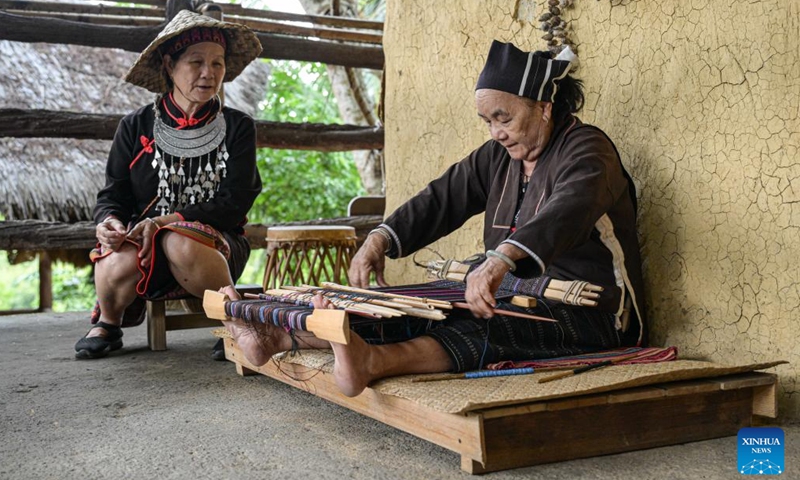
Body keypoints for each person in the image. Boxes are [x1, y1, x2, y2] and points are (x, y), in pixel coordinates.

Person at [222, 40, 647, 397]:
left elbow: (567, 211)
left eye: (504, 118)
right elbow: (443, 197)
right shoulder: (498, 157)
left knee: (488, 327)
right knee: (421, 308)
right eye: (488, 121)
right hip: (509, 295)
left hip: (590, 313)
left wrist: (500, 260)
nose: (496, 132)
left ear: (544, 108)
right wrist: (380, 241)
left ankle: (371, 361)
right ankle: (277, 336)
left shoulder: (589, 151)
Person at [75, 11, 263, 359]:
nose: (209, 73)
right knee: (116, 257)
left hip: (213, 250)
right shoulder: (135, 126)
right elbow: (112, 194)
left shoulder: (238, 127)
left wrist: (165, 222)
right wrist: (110, 223)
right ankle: (109, 321)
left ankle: (234, 322)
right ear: (169, 64)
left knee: (179, 241)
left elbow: (235, 201)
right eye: (196, 62)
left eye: (217, 63)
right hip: (144, 245)